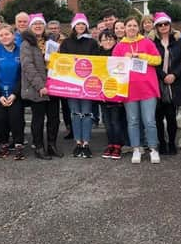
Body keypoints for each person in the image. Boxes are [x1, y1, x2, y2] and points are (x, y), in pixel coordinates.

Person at [112, 16, 162, 164]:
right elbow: (114, 67)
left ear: (138, 28)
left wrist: (140, 56)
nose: (132, 28)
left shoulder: (147, 42)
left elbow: (158, 60)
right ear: (125, 28)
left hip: (148, 89)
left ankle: (153, 148)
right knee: (133, 121)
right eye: (129, 26)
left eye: (134, 25)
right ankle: (136, 148)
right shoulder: (119, 46)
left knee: (149, 121)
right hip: (129, 90)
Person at [20, 13, 63, 160]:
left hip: (53, 86)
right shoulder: (26, 44)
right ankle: (39, 147)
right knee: (38, 119)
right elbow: (28, 66)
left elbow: (57, 62)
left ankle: (51, 145)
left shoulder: (51, 42)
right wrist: (40, 86)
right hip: (37, 88)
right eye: (35, 24)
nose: (38, 26)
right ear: (31, 27)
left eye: (40, 24)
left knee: (54, 118)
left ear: (44, 26)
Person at [59, 13, 100, 157]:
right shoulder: (66, 43)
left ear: (86, 26)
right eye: (78, 24)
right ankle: (78, 142)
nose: (80, 26)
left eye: (83, 24)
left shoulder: (92, 43)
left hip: (88, 84)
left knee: (87, 113)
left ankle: (86, 143)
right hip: (72, 84)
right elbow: (62, 62)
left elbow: (97, 62)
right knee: (76, 114)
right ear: (73, 26)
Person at [0, 25, 25, 160]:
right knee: (1, 120)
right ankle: (4, 145)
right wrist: (0, 96)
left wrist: (14, 94)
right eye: (1, 35)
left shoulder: (20, 51)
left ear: (14, 36)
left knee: (16, 119)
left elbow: (22, 76)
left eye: (7, 34)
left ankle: (19, 145)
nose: (4, 37)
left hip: (15, 92)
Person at [152, 12, 181, 155]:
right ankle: (161, 143)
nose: (163, 26)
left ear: (170, 25)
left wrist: (174, 74)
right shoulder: (152, 42)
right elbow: (151, 62)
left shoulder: (178, 41)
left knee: (171, 116)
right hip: (157, 83)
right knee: (158, 117)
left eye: (165, 24)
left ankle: (172, 143)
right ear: (156, 27)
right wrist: (163, 75)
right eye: (160, 24)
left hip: (174, 83)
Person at [98, 30, 125, 160]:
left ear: (115, 41)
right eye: (105, 39)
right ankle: (110, 144)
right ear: (100, 42)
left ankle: (118, 145)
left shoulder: (120, 54)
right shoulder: (97, 56)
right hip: (102, 95)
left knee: (116, 121)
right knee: (107, 122)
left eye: (111, 39)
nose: (108, 42)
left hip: (116, 94)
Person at [47, 20, 72, 138]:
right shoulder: (45, 41)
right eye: (51, 28)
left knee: (67, 106)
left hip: (64, 76)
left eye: (55, 28)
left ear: (59, 29)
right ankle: (53, 131)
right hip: (50, 77)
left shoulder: (66, 41)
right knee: (53, 107)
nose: (53, 30)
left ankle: (69, 128)